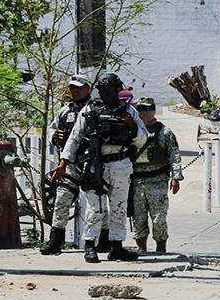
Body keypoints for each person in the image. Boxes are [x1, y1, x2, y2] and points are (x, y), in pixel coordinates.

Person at [51, 73, 147, 263]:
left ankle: (117, 246)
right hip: (95, 164)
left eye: (110, 90)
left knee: (119, 207)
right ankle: (89, 245)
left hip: (120, 164)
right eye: (103, 90)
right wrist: (63, 163)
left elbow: (142, 139)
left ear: (117, 90)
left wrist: (131, 126)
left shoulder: (129, 111)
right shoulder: (89, 110)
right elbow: (75, 138)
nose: (106, 94)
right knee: (95, 208)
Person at [38, 73, 94, 255]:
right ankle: (55, 240)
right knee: (61, 200)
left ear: (88, 88)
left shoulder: (96, 108)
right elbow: (52, 129)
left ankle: (102, 240)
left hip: (92, 164)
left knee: (96, 203)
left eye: (78, 87)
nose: (75, 91)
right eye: (72, 87)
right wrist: (55, 136)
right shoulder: (64, 111)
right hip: (69, 164)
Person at [129, 97, 183, 253]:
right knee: (138, 219)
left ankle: (161, 249)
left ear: (153, 110)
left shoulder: (164, 132)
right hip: (137, 182)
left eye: (147, 109)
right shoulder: (132, 130)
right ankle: (141, 249)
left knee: (159, 219)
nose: (144, 113)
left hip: (157, 181)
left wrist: (176, 177)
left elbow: (174, 155)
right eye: (140, 109)